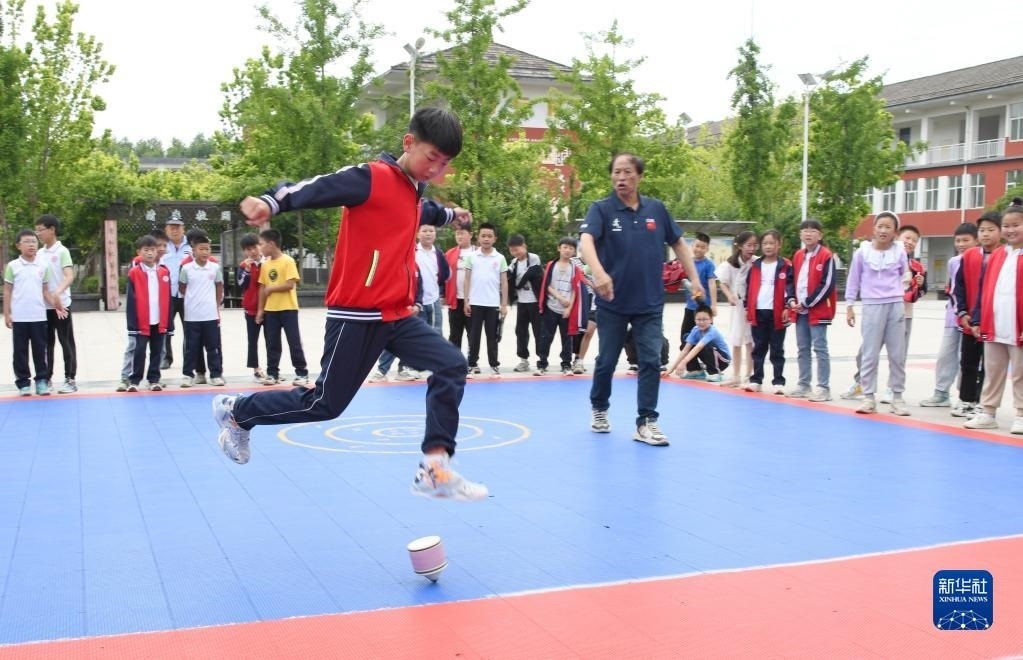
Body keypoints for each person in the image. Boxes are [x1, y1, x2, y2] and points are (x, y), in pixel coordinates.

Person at [212, 106, 487, 501]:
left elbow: (424, 211)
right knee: (325, 404)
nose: (436, 170)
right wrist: (272, 201)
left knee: (452, 364)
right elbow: (321, 186)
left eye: (444, 164)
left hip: (395, 314)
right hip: (356, 314)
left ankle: (434, 468)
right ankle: (238, 411)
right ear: (409, 142)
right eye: (432, 158)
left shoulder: (414, 194)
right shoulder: (372, 178)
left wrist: (452, 215)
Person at [579, 152, 703, 447]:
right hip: (613, 302)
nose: (621, 177)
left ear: (639, 176)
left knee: (650, 360)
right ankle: (599, 407)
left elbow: (678, 243)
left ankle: (646, 421)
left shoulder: (656, 210)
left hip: (649, 302)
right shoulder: (601, 209)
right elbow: (586, 241)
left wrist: (695, 278)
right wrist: (600, 273)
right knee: (607, 361)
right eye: (616, 172)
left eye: (627, 172)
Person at [964, 199, 1023, 434]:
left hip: (1018, 326)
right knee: (992, 371)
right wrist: (978, 319)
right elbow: (985, 289)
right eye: (1006, 225)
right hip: (995, 324)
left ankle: (1021, 414)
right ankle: (988, 412)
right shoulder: (998, 255)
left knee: (1020, 373)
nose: (1010, 230)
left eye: (1016, 225)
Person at [845, 211, 911, 415]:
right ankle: (868, 397)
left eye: (888, 227)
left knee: (897, 354)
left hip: (895, 304)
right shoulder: (862, 253)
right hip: (872, 305)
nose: (883, 230)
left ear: (895, 232)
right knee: (870, 353)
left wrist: (906, 284)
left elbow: (905, 274)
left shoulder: (899, 251)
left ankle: (897, 397)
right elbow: (853, 279)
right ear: (874, 229)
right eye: (880, 226)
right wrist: (849, 305)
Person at [371, 224, 451, 382]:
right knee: (403, 336)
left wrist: (441, 293)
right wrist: (412, 301)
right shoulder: (411, 251)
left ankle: (427, 367)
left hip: (432, 300)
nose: (428, 234)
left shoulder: (438, 253)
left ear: (435, 234)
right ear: (418, 234)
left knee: (434, 335)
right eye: (424, 231)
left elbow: (445, 275)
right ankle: (384, 369)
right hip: (410, 303)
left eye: (431, 231)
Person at [920, 222, 978, 408]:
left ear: (976, 241)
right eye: (958, 240)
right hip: (953, 317)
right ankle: (941, 392)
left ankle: (966, 397)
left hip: (972, 319)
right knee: (946, 354)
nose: (961, 244)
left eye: (966, 240)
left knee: (967, 358)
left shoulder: (980, 260)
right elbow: (953, 288)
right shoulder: (954, 262)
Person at [953, 212, 1002, 419]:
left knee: (989, 366)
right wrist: (963, 312)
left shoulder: (1005, 257)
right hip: (969, 322)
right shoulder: (970, 256)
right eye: (982, 230)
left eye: (991, 230)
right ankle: (966, 400)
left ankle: (983, 402)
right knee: (968, 362)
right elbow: (959, 286)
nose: (986, 234)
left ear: (1000, 232)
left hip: (992, 323)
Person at [4, 230, 60, 396]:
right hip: (20, 317)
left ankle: (41, 381)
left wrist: (56, 305)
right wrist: (7, 313)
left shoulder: (43, 266)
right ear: (18, 246)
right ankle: (23, 383)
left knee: (40, 350)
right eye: (27, 242)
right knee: (20, 351)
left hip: (38, 316)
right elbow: (7, 291)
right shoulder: (13, 266)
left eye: (34, 242)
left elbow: (45, 291)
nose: (31, 245)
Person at [786, 219, 837, 402]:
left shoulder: (826, 256)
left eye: (813, 230)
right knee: (802, 348)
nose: (808, 233)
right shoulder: (798, 255)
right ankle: (804, 384)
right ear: (800, 235)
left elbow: (827, 285)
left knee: (820, 348)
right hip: (799, 311)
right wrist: (791, 300)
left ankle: (823, 387)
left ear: (820, 235)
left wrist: (807, 303)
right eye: (805, 230)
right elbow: (790, 281)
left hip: (818, 311)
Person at [255, 228, 309, 386]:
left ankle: (302, 373)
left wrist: (272, 289)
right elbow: (262, 288)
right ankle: (272, 374)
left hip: (288, 309)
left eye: (262, 244)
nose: (260, 248)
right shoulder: (265, 265)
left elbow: (290, 284)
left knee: (294, 341)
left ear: (271, 244)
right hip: (271, 310)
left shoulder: (288, 261)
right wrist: (260, 310)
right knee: (272, 343)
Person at [742, 230, 793, 395]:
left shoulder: (786, 265)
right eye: (765, 243)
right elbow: (748, 288)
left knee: (777, 349)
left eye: (771, 243)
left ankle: (778, 382)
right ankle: (756, 380)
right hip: (758, 311)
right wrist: (747, 307)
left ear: (779, 244)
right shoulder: (755, 266)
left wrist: (787, 307)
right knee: (758, 348)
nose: (768, 246)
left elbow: (790, 288)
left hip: (778, 312)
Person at [35, 214, 78, 393]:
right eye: (36, 231)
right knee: (46, 344)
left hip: (62, 306)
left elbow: (69, 276)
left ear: (52, 229)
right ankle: (47, 378)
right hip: (44, 306)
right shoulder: (39, 254)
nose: (38, 234)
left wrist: (58, 293)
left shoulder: (62, 251)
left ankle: (70, 379)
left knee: (65, 341)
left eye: (41, 230)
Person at [533, 236, 587, 376]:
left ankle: (566, 365)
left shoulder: (575, 268)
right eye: (565, 247)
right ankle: (542, 364)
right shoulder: (551, 265)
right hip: (551, 307)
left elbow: (575, 289)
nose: (567, 250)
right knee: (545, 337)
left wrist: (569, 308)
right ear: (559, 248)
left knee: (567, 339)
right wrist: (559, 297)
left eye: (571, 248)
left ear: (574, 251)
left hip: (566, 310)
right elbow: (546, 285)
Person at [125, 235, 172, 392]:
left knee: (157, 351)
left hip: (159, 320)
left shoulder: (164, 272)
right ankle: (134, 380)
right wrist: (132, 324)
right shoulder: (134, 273)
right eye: (146, 250)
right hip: (141, 321)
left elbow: (168, 299)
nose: (150, 253)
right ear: (139, 252)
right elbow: (131, 300)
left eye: (152, 250)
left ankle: (154, 379)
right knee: (139, 351)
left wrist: (169, 323)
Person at [178, 233, 225, 387]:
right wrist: (192, 300)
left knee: (212, 347)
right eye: (201, 249)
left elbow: (219, 285)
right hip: (192, 315)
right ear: (194, 251)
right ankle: (188, 375)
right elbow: (182, 287)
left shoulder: (215, 267)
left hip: (210, 315)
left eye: (207, 249)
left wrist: (215, 303)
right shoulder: (186, 269)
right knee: (191, 348)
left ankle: (215, 375)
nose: (205, 252)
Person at [463, 222, 508, 378]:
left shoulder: (500, 258)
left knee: (492, 337)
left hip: (492, 304)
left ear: (495, 238)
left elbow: (504, 282)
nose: (486, 239)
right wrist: (466, 301)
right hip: (475, 303)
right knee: (474, 336)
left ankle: (494, 366)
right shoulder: (471, 257)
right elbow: (467, 279)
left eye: (489, 236)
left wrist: (504, 304)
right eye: (483, 236)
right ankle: (471, 365)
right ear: (478, 238)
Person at [716, 231, 757, 387]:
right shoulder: (730, 264)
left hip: (752, 306)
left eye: (754, 245)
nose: (752, 248)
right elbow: (723, 283)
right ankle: (736, 375)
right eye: (748, 245)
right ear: (740, 246)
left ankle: (749, 375)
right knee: (736, 340)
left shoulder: (757, 262)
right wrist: (729, 295)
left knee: (750, 340)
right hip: (738, 306)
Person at [677, 232, 718, 378]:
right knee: (685, 338)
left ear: (707, 249)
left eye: (702, 247)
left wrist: (713, 305)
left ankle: (714, 370)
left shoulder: (709, 264)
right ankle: (694, 369)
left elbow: (712, 284)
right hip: (690, 308)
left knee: (706, 341)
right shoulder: (688, 262)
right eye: (697, 246)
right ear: (692, 246)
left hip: (703, 310)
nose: (699, 249)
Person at [506, 234, 543, 373]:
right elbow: (508, 276)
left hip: (535, 302)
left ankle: (542, 359)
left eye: (517, 249)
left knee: (538, 331)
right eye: (512, 250)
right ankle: (523, 360)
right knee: (520, 331)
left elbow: (530, 274)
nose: (515, 253)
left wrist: (517, 285)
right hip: (522, 302)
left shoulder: (533, 258)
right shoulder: (513, 263)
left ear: (524, 246)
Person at [664, 304, 731, 381]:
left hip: (722, 361)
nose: (701, 322)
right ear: (695, 320)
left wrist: (683, 362)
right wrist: (671, 369)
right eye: (699, 319)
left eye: (705, 319)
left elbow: (699, 347)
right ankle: (696, 370)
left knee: (705, 344)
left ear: (711, 320)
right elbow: (685, 350)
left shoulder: (712, 331)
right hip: (711, 356)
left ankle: (715, 372)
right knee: (686, 339)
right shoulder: (695, 330)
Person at [159, 216, 191, 370]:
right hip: (167, 294)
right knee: (165, 328)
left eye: (177, 227)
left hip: (187, 295)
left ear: (183, 229)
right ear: (166, 229)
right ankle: (165, 358)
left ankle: (189, 358)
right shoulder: (162, 246)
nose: (174, 230)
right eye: (171, 227)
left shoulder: (191, 246)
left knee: (190, 328)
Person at [237, 232, 266, 382]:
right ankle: (256, 368)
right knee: (252, 340)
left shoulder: (268, 263)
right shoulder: (244, 266)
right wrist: (247, 271)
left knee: (271, 340)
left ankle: (273, 369)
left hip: (269, 308)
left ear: (260, 246)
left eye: (255, 247)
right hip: (250, 309)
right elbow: (241, 284)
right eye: (248, 249)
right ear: (244, 251)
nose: (253, 251)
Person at [444, 225, 476, 349]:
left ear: (470, 235)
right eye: (457, 234)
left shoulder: (478, 252)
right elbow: (443, 276)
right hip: (455, 300)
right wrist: (443, 294)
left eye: (462, 233)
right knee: (454, 334)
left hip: (474, 300)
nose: (459, 236)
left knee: (473, 333)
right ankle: (454, 359)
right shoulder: (449, 254)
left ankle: (472, 358)